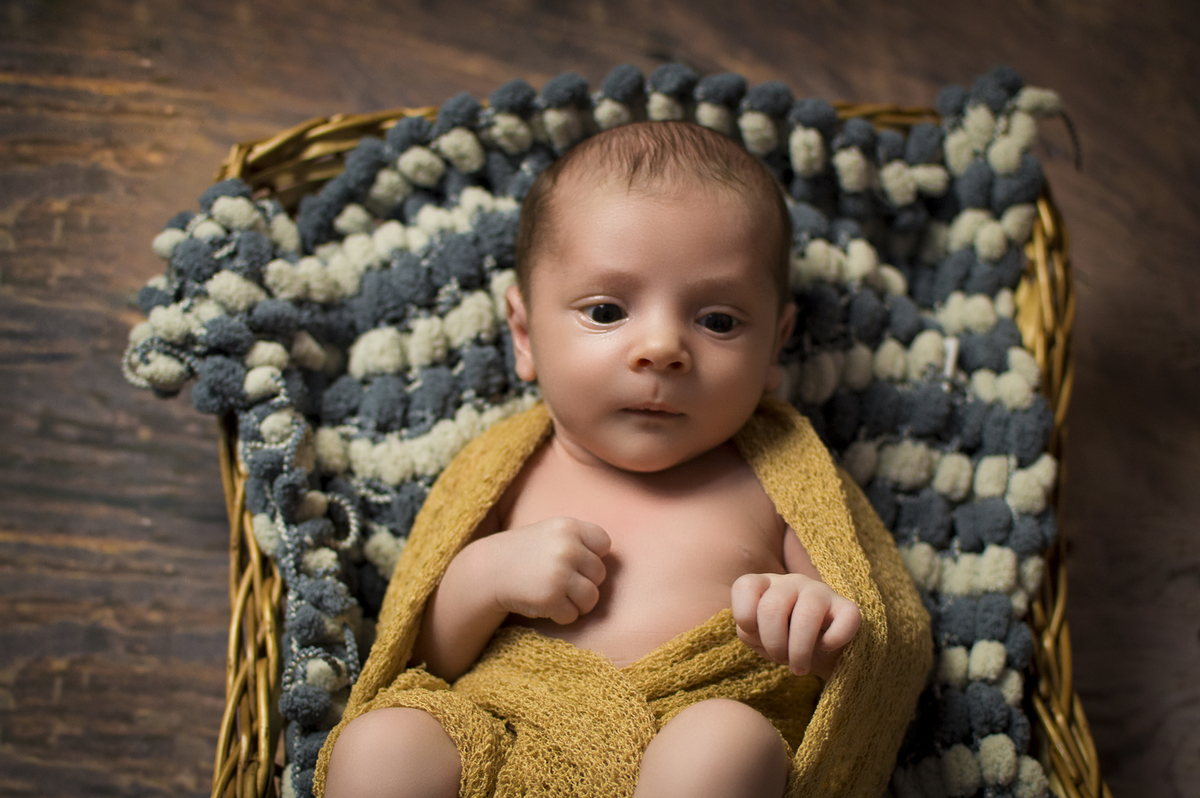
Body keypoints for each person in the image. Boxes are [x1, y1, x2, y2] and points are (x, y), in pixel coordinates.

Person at [317, 120, 930, 798]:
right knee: (384, 742)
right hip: (508, 741)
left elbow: (867, 637)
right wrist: (485, 577)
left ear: (774, 349)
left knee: (726, 740)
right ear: (524, 334)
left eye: (719, 321)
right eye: (607, 311)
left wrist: (809, 620)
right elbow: (425, 656)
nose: (661, 347)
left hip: (685, 747)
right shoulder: (505, 470)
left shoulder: (781, 479)